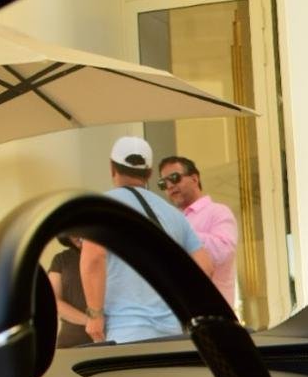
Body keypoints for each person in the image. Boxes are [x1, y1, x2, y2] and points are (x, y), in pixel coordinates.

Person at [80, 135, 214, 344]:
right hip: (172, 333)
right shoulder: (173, 214)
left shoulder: (101, 206)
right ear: (149, 173)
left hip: (126, 331)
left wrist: (94, 315)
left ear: (112, 168)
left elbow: (94, 258)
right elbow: (206, 266)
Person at [157, 155, 238, 310]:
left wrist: (183, 234)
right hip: (179, 313)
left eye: (174, 178)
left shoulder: (218, 212)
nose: (170, 186)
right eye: (163, 183)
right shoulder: (172, 219)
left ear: (194, 179)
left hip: (213, 311)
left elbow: (224, 251)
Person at [47, 234, 90, 348]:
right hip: (71, 341)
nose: (75, 234)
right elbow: (54, 301)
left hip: (113, 336)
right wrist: (90, 322)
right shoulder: (61, 259)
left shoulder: (111, 257)